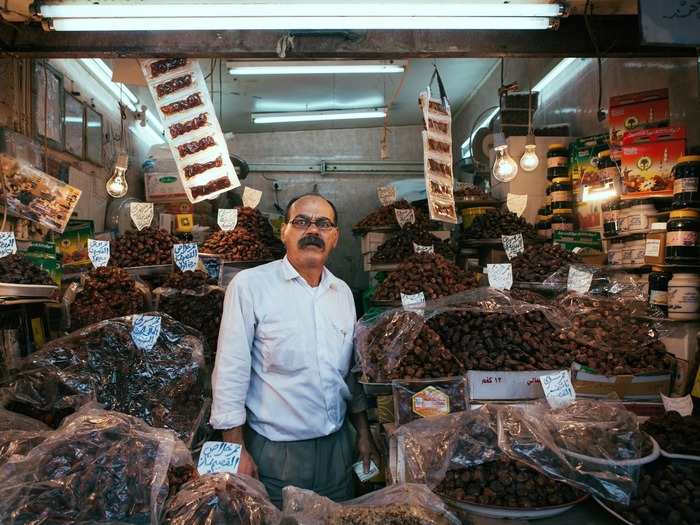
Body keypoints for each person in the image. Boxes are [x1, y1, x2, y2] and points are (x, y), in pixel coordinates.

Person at [210, 192, 378, 506]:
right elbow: (231, 369)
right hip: (277, 454)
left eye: (323, 224)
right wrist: (235, 449)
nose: (312, 230)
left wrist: (363, 433)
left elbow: (351, 372)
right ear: (284, 231)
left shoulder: (341, 292)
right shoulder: (250, 286)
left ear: (335, 237)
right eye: (301, 222)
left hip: (338, 448)